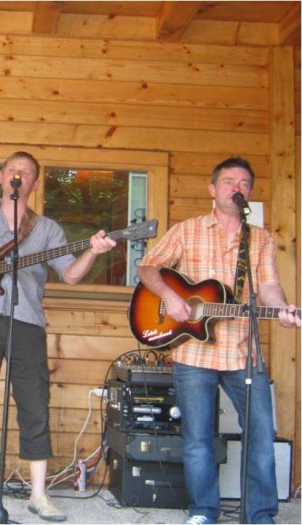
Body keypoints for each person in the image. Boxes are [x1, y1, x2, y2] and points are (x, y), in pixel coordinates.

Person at [0, 151, 116, 522]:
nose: (18, 175)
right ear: (1, 177)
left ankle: (38, 495)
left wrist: (93, 252)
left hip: (27, 322)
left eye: (26, 172)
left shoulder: (46, 229)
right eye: (12, 170)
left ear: (34, 183)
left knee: (34, 403)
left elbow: (71, 274)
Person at [135, 157, 300, 524]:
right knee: (197, 439)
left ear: (249, 193)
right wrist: (171, 298)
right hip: (193, 352)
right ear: (213, 189)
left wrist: (282, 309)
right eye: (228, 181)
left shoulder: (260, 239)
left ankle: (260, 515)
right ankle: (203, 512)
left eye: (243, 183)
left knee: (261, 434)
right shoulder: (187, 230)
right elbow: (147, 267)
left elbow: (269, 285)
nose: (236, 188)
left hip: (244, 352)